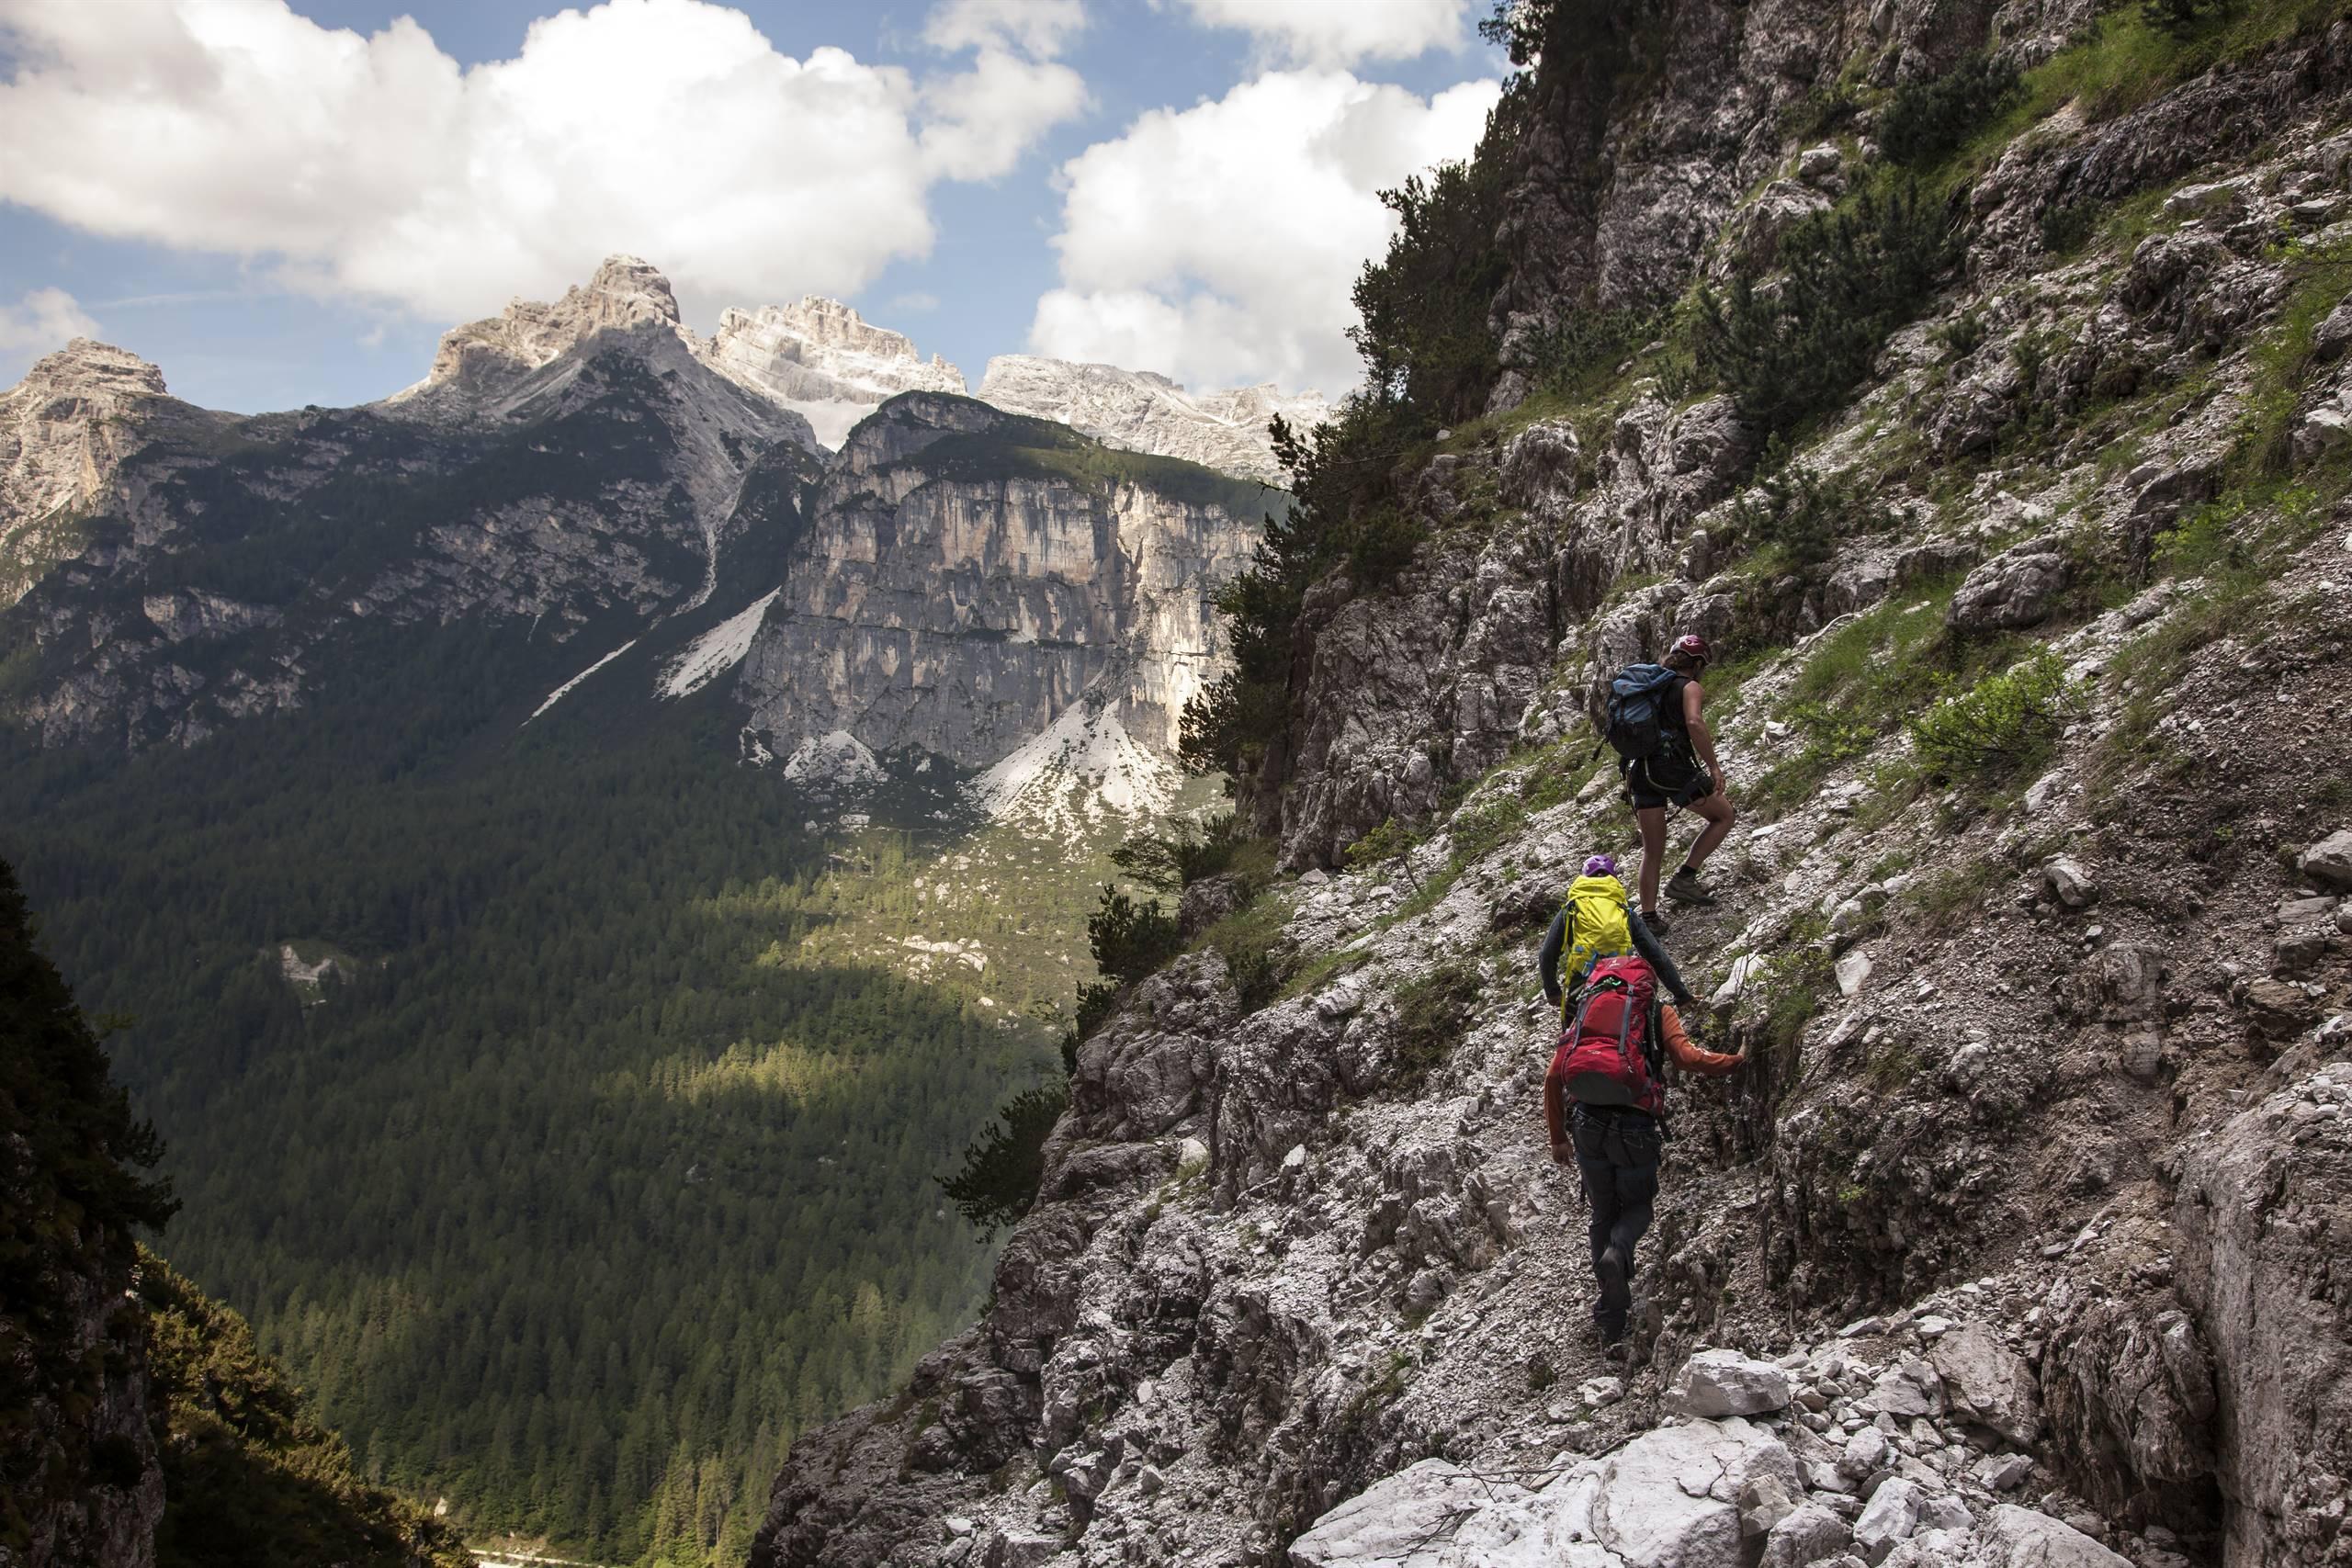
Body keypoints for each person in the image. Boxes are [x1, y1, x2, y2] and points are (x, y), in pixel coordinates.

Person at [1541, 947, 1744, 1348]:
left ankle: (1611, 1313)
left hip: (1585, 1124)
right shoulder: (1655, 1011)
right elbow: (1687, 1059)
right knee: (1638, 1206)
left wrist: (1558, 1138)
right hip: (1635, 1126)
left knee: (1601, 1210)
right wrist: (1735, 1061)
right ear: (1647, 982)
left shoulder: (1585, 1010)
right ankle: (1620, 1251)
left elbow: (1553, 1076)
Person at [1623, 634, 1736, 932]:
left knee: (1652, 849)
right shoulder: (1689, 686)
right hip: (1671, 767)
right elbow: (1695, 723)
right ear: (1697, 663)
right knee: (1724, 816)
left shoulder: (1651, 688)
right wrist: (1713, 766)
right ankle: (1685, 878)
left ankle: (1648, 919)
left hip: (1640, 771)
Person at [1537, 852, 1695, 1015]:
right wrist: (1682, 995)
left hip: (1584, 983)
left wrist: (1553, 992)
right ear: (1613, 878)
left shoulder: (1571, 908)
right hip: (1622, 981)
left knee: (1572, 1030)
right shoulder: (1623, 910)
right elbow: (1655, 955)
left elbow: (1547, 954)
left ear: (1584, 878)